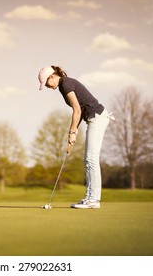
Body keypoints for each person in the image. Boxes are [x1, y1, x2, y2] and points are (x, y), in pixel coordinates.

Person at [38, 65, 114, 209]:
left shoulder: (65, 84)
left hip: (97, 117)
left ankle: (93, 200)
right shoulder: (63, 86)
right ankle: (90, 197)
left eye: (47, 83)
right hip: (93, 118)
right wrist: (74, 130)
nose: (47, 87)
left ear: (52, 77)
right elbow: (78, 109)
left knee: (91, 158)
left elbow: (77, 110)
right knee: (88, 159)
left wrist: (72, 132)